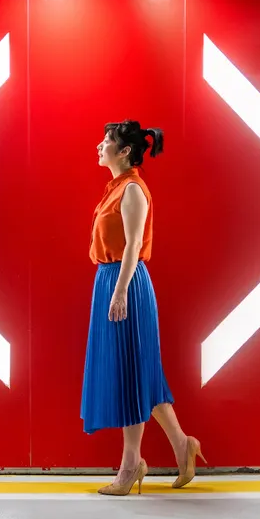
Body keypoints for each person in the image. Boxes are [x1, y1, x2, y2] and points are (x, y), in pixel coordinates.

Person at [81, 120, 205, 496]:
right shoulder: (115, 188)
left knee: (132, 376)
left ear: (125, 152)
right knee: (142, 375)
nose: (100, 145)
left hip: (125, 283)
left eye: (107, 142)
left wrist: (119, 292)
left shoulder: (132, 189)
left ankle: (131, 465)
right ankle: (183, 446)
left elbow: (133, 246)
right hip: (111, 281)